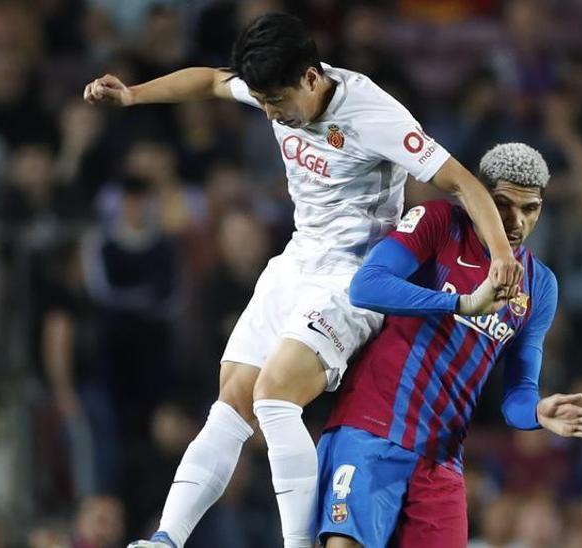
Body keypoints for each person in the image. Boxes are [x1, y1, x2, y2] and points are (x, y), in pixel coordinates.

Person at [84, 13, 524, 548]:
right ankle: (165, 539)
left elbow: (464, 183)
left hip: (355, 273)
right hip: (296, 261)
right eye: (264, 102)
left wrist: (502, 255)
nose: (271, 114)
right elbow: (209, 80)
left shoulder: (374, 114)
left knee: (275, 395)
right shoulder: (275, 79)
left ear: (312, 78)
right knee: (232, 403)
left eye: (277, 103)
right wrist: (132, 95)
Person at [315, 143, 582, 547]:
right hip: (372, 430)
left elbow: (518, 394)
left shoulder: (539, 285)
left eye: (531, 209)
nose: (516, 221)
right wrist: (460, 303)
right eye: (503, 204)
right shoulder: (440, 224)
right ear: (479, 196)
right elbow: (366, 286)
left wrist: (539, 412)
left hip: (441, 460)